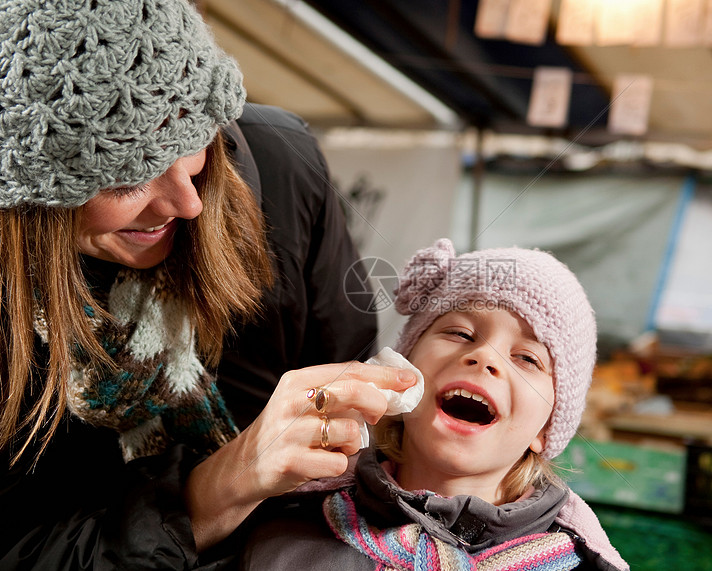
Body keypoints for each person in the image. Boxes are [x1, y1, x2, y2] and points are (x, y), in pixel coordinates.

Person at [0, 1, 416, 568]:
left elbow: (348, 370)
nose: (188, 203)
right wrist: (225, 484)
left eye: (192, 144)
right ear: (29, 201)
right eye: (127, 177)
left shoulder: (280, 163)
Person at [242, 238, 629, 571]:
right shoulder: (283, 525)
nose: (486, 358)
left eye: (528, 358)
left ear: (546, 429)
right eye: (460, 332)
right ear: (403, 367)